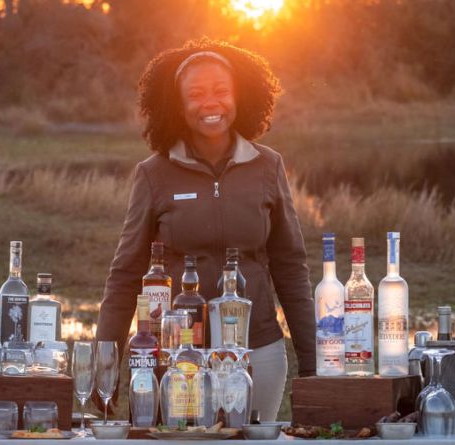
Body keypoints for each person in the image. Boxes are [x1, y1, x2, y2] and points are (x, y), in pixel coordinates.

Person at [95, 37, 315, 422]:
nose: (210, 103)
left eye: (220, 91)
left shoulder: (268, 166)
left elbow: (290, 266)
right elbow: (126, 273)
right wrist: (105, 366)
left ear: (238, 97)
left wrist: (313, 365)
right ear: (177, 106)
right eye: (195, 94)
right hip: (177, 356)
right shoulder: (153, 174)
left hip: (257, 350)